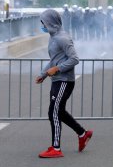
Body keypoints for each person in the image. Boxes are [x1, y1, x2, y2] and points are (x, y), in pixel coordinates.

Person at [35, 9, 93, 158]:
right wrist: (43, 74)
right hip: (56, 80)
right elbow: (55, 60)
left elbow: (74, 59)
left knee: (54, 111)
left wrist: (57, 68)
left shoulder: (62, 38)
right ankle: (82, 133)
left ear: (50, 23)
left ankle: (56, 148)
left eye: (43, 22)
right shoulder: (53, 37)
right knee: (58, 111)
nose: (42, 25)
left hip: (64, 81)